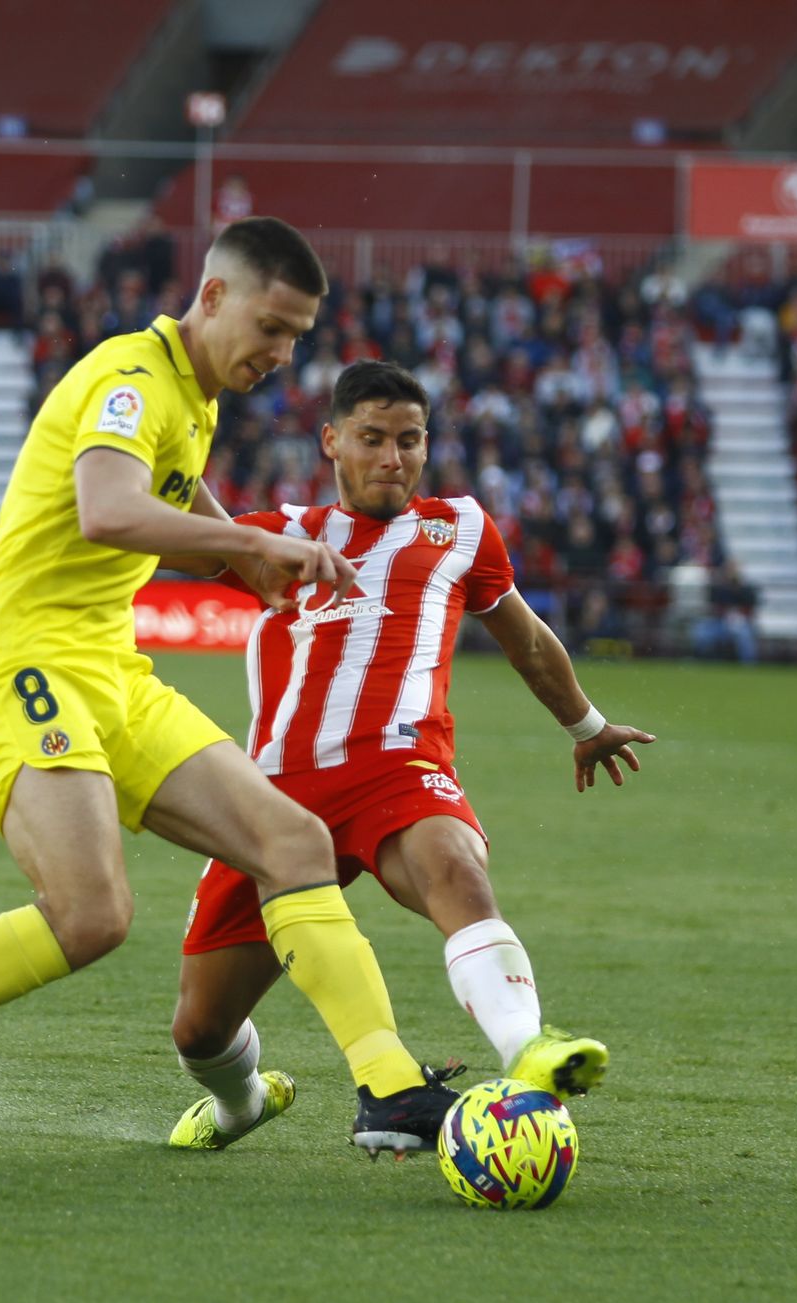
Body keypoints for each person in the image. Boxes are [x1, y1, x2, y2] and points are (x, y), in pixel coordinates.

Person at [0, 219, 460, 1174]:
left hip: (107, 666)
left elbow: (175, 491)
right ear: (214, 297)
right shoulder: (132, 379)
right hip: (20, 661)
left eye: (299, 337)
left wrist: (235, 555)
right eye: (272, 327)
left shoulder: (194, 391)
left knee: (295, 840)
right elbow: (107, 509)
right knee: (91, 914)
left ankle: (390, 1086)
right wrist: (263, 547)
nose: (282, 354)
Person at [162, 361, 654, 1152]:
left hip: (399, 770)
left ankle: (528, 1050)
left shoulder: (459, 528)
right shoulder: (278, 535)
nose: (393, 457)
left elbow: (525, 639)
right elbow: (173, 532)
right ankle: (241, 1103)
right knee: (200, 1027)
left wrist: (586, 725)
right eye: (373, 439)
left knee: (458, 873)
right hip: (274, 796)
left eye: (410, 440)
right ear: (332, 442)